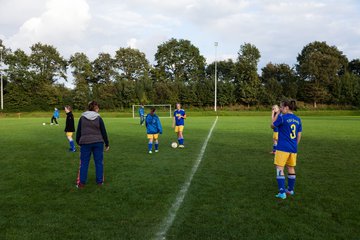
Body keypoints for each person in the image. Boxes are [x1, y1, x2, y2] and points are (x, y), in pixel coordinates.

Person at [271, 100, 302, 200]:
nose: (280, 109)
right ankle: (290, 190)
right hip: (293, 148)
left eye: (281, 107)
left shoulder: (282, 118)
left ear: (286, 107)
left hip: (282, 148)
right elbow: (299, 135)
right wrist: (294, 145)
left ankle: (282, 192)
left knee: (279, 168)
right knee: (290, 168)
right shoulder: (298, 119)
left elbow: (272, 125)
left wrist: (278, 113)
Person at [76, 101, 109, 188]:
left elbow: (78, 131)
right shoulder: (99, 118)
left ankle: (81, 183)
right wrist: (107, 143)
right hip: (98, 142)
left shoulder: (82, 118)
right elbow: (103, 131)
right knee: (99, 163)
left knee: (84, 163)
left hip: (85, 142)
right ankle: (99, 182)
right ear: (96, 108)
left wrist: (78, 142)